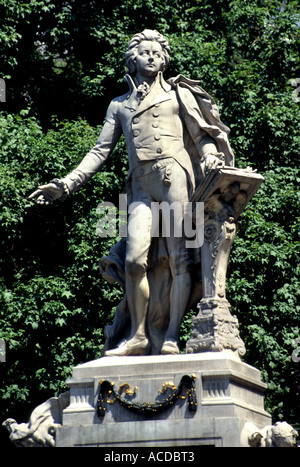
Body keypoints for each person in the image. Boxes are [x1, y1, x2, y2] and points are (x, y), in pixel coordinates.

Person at [29, 30, 234, 356]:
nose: (152, 57)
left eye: (157, 52)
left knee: (179, 260)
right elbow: (99, 152)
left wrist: (209, 153)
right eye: (145, 52)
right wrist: (68, 183)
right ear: (132, 59)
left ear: (164, 59)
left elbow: (201, 133)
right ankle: (137, 336)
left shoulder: (177, 94)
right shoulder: (119, 106)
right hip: (140, 187)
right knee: (134, 259)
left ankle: (170, 336)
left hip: (174, 178)